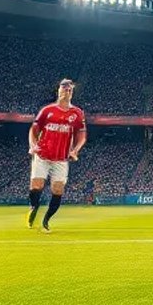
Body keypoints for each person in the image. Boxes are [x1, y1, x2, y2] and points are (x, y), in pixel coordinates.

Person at [28, 79, 87, 232]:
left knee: (58, 190)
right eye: (64, 89)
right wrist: (33, 145)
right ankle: (34, 206)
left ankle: (46, 221)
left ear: (71, 93)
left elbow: (82, 135)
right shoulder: (47, 110)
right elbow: (33, 130)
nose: (67, 92)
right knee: (37, 186)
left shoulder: (77, 113)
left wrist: (75, 150)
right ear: (58, 91)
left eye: (69, 90)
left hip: (61, 158)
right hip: (42, 155)